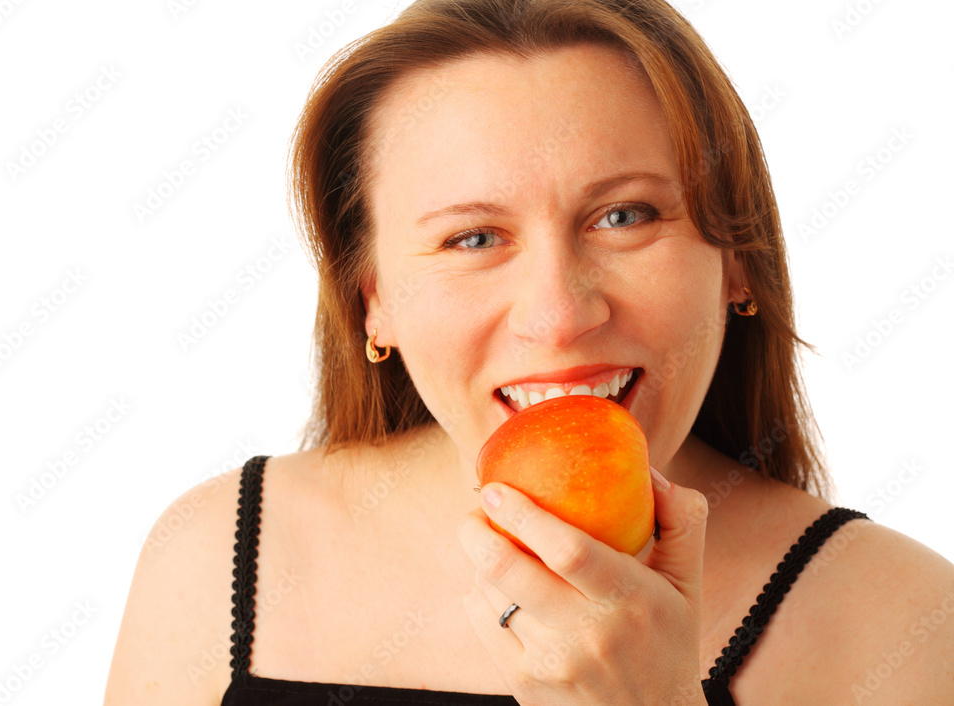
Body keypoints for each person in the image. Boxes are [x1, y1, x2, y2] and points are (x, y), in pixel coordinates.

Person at [104, 0, 954, 704]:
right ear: (374, 302)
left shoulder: (905, 623)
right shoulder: (213, 556)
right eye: (473, 238)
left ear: (736, 262)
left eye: (624, 216)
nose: (558, 317)